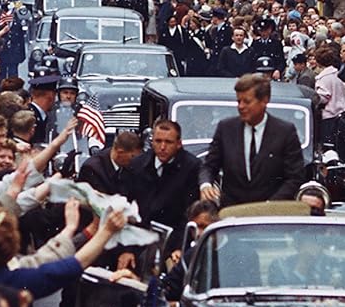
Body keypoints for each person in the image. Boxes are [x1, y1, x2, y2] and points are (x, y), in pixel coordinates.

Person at [198, 74, 308, 209]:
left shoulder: (285, 132)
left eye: (247, 101)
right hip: (232, 213)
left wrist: (270, 205)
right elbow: (209, 166)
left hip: (270, 215)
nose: (241, 107)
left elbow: (295, 176)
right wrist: (206, 184)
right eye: (239, 101)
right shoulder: (226, 129)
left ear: (265, 100)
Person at [131, 119, 202, 237]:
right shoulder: (137, 165)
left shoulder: (191, 168)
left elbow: (189, 213)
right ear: (152, 142)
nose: (162, 147)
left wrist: (178, 247)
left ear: (179, 144)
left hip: (173, 237)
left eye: (168, 142)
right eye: (158, 141)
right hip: (139, 237)